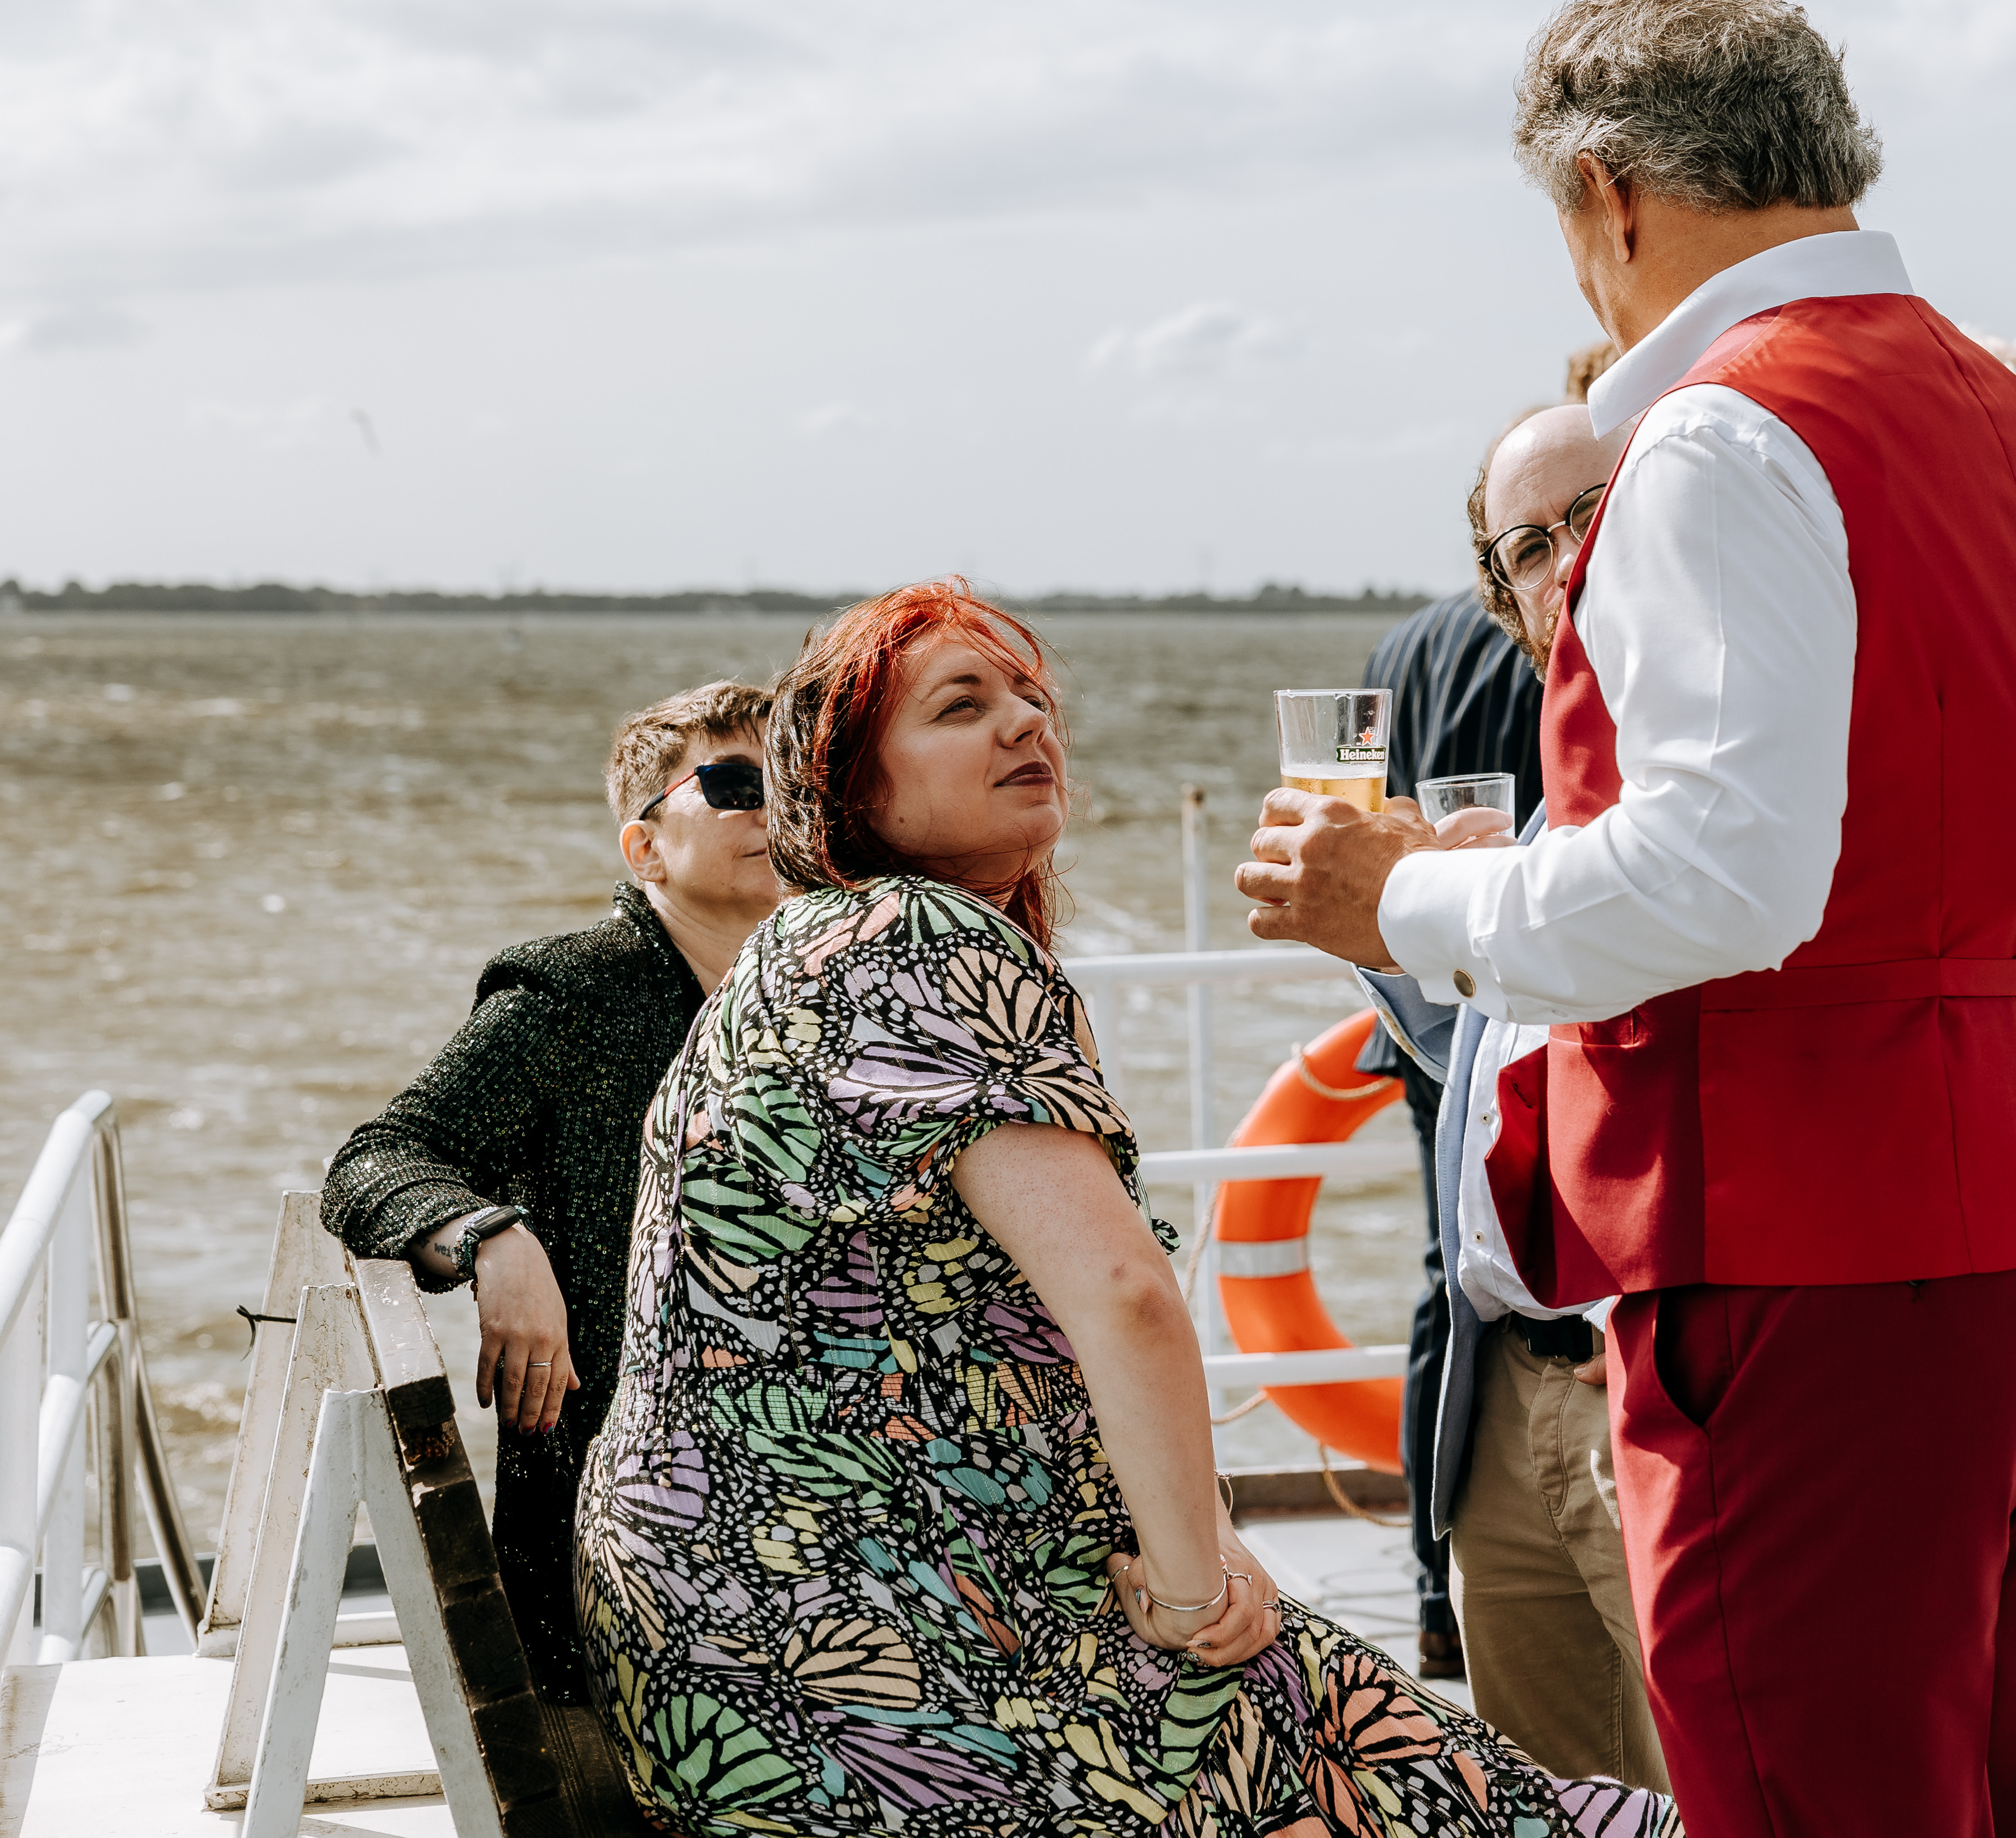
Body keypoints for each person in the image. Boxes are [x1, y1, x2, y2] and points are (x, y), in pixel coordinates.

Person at [1241, 0, 2016, 1835]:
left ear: (1607, 194)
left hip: (1809, 1248)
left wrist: (1404, 892)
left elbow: (1718, 875)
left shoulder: (1718, 431)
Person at [571, 581, 1678, 1838]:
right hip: (857, 1652)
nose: (1024, 723)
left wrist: (1196, 1557)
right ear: (851, 786)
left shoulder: (800, 945)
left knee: (1399, 1746)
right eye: (961, 706)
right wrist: (1197, 1589)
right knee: (1431, 1781)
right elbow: (1124, 1297)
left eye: (1031, 697)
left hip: (752, 1617)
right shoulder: (921, 939)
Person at [322, 678, 783, 1703]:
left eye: (793, 780)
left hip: (811, 1510)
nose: (774, 806)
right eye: (734, 785)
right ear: (645, 848)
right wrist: (492, 1237)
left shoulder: (833, 993)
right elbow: (377, 1156)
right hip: (632, 1558)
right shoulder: (570, 994)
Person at [1356, 403, 1667, 1788]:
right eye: (1526, 547)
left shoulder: (1716, 790)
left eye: (1591, 515)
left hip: (1646, 1386)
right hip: (1501, 1394)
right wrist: (1383, 924)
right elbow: (1494, 1064)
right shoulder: (1549, 806)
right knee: (1547, 1801)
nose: (1565, 564)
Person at [1354, 414, 1551, 1681]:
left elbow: (1368, 817)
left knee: (1447, 1278)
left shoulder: (1398, 650)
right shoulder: (1569, 654)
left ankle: (1438, 1583)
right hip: (1519, 984)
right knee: (1500, 1267)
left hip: (1421, 997)